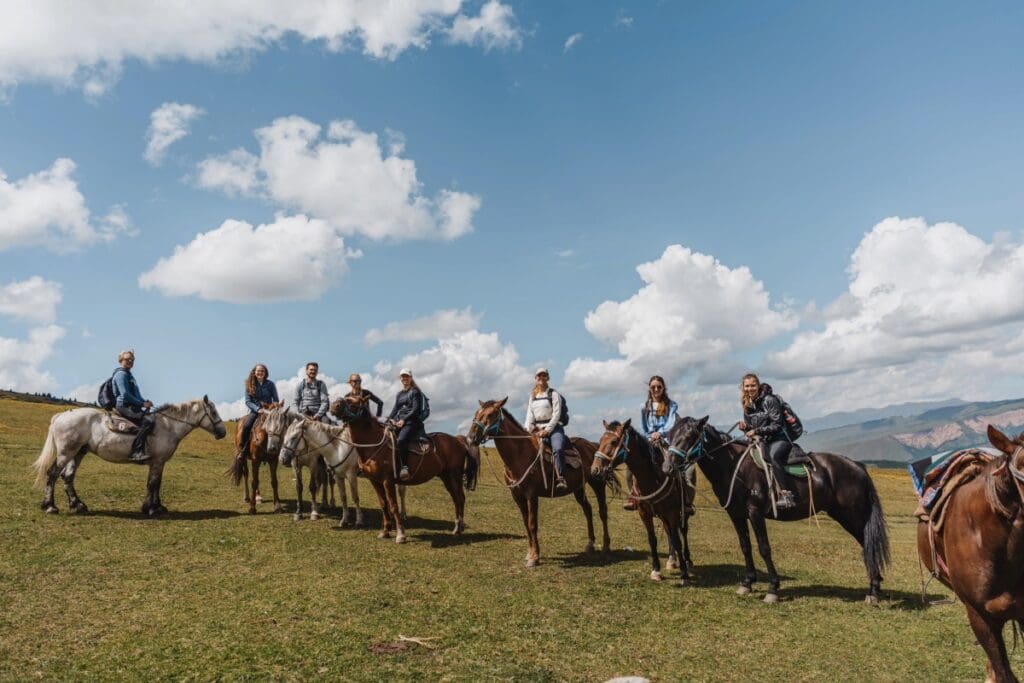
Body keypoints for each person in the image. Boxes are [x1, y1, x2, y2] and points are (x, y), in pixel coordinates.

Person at [738, 372, 795, 510]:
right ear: (743, 387)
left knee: (773, 456)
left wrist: (756, 431)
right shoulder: (747, 405)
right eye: (747, 386)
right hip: (763, 440)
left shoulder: (769, 400)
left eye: (753, 385)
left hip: (780, 438)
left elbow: (777, 425)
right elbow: (753, 429)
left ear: (758, 385)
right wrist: (746, 428)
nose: (750, 388)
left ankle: (785, 495)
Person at [628, 375, 684, 511]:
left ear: (663, 388)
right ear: (649, 388)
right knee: (631, 468)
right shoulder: (644, 407)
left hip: (665, 441)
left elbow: (671, 423)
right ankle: (633, 497)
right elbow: (643, 426)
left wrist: (661, 433)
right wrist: (649, 436)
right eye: (653, 387)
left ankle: (684, 501)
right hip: (649, 442)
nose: (656, 389)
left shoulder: (671, 405)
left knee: (678, 468)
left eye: (659, 386)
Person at [524, 368, 569, 490]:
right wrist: (527, 430)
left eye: (544, 376)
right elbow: (529, 416)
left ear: (548, 378)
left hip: (554, 429)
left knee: (558, 449)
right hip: (537, 430)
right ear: (535, 378)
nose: (541, 378)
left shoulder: (554, 394)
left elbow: (557, 415)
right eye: (539, 376)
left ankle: (561, 477)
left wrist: (547, 430)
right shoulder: (532, 396)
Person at [283, 362, 329, 467]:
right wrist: (299, 414)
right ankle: (287, 455)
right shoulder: (300, 385)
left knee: (328, 427)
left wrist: (318, 415)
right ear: (306, 371)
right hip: (303, 414)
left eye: (315, 370)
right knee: (290, 430)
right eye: (311, 369)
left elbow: (325, 402)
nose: (313, 371)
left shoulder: (321, 385)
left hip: (318, 414)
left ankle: (328, 459)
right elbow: (295, 402)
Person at [111, 350, 154, 462]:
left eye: (132, 359)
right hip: (124, 406)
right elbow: (125, 394)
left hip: (132, 406)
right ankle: (136, 452)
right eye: (127, 359)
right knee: (147, 422)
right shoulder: (121, 374)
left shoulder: (130, 376)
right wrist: (142, 404)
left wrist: (145, 402)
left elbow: (137, 396)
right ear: (120, 360)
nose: (130, 361)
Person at [234, 363, 279, 465]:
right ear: (254, 372)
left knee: (279, 426)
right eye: (258, 371)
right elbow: (248, 401)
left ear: (265, 373)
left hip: (269, 411)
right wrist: (258, 409)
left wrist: (273, 408)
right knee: (246, 426)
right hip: (256, 411)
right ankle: (242, 450)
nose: (260, 373)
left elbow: (276, 399)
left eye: (262, 371)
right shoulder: (249, 384)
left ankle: (281, 450)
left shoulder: (271, 384)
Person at [387, 368, 425, 481]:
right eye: (403, 376)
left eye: (407, 376)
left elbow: (415, 409)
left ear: (411, 378)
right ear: (400, 378)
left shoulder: (415, 392)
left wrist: (403, 419)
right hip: (400, 422)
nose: (405, 378)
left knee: (401, 440)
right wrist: (389, 420)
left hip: (412, 422)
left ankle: (404, 467)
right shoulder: (399, 394)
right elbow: (395, 409)